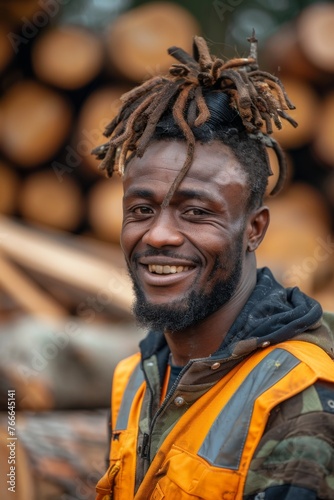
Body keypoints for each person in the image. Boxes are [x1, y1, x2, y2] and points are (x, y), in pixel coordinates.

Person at [93, 33, 334, 499]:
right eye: (141, 210)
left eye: (197, 211)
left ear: (254, 229)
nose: (158, 235)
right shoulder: (134, 381)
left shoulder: (300, 398)